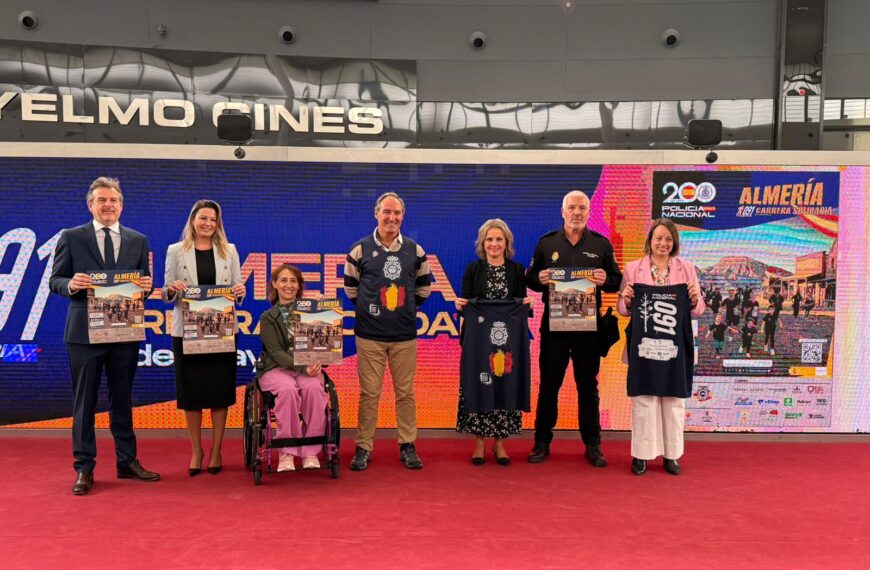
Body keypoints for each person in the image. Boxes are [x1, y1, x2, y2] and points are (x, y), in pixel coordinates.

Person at [49, 176, 160, 495]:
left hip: (124, 329)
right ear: (91, 205)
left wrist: (147, 287)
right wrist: (72, 284)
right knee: (84, 402)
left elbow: (144, 283)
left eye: (113, 200)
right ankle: (84, 467)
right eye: (102, 200)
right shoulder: (71, 237)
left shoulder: (138, 240)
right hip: (83, 332)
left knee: (122, 398)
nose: (108, 205)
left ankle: (127, 461)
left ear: (121, 205)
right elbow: (55, 281)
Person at [525, 190, 622, 467]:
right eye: (572, 207)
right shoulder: (546, 243)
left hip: (588, 328)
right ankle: (541, 441)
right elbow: (531, 278)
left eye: (582, 208)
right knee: (549, 386)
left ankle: (593, 445)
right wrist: (539, 279)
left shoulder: (601, 245)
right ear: (563, 211)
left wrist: (606, 280)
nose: (576, 212)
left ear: (588, 212)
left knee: (588, 386)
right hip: (554, 326)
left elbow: (617, 280)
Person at [344, 192, 432, 471]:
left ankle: (407, 445)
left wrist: (403, 311)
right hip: (369, 335)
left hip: (404, 336)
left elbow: (424, 288)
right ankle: (363, 447)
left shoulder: (415, 251)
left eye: (397, 213)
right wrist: (373, 310)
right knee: (369, 394)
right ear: (376, 213)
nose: (391, 218)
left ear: (402, 217)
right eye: (386, 212)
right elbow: (351, 290)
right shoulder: (359, 249)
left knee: (405, 393)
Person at [162, 200, 245, 476]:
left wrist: (239, 290)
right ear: (193, 220)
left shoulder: (229, 250)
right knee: (192, 394)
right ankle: (196, 450)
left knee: (219, 393)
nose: (208, 223)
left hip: (220, 330)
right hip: (187, 331)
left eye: (213, 219)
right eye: (203, 218)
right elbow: (165, 293)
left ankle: (216, 449)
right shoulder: (175, 250)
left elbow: (238, 289)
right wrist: (172, 289)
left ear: (218, 223)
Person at [618, 218, 705, 476]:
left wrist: (694, 297)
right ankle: (641, 455)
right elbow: (623, 311)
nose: (663, 243)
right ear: (650, 241)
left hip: (674, 348)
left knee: (673, 401)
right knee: (644, 400)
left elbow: (698, 310)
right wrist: (626, 299)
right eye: (658, 238)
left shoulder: (687, 269)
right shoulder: (633, 269)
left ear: (674, 243)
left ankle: (672, 455)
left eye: (668, 239)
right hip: (644, 347)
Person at [454, 219, 533, 466]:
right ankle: (479, 443)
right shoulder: (472, 270)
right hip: (479, 342)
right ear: (483, 243)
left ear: (506, 242)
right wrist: (461, 306)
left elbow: (521, 306)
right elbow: (465, 303)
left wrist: (525, 305)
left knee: (504, 381)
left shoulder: (518, 271)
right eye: (490, 239)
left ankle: (500, 444)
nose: (494, 244)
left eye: (499, 239)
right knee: (479, 381)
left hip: (508, 340)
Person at [256, 264, 328, 472]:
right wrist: (303, 367)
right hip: (275, 368)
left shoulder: (310, 311)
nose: (288, 285)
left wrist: (324, 315)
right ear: (275, 284)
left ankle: (310, 450)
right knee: (287, 390)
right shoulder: (268, 317)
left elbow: (323, 344)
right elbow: (276, 351)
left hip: (307, 369)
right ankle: (286, 451)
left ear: (299, 286)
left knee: (314, 389)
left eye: (293, 281)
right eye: (284, 280)